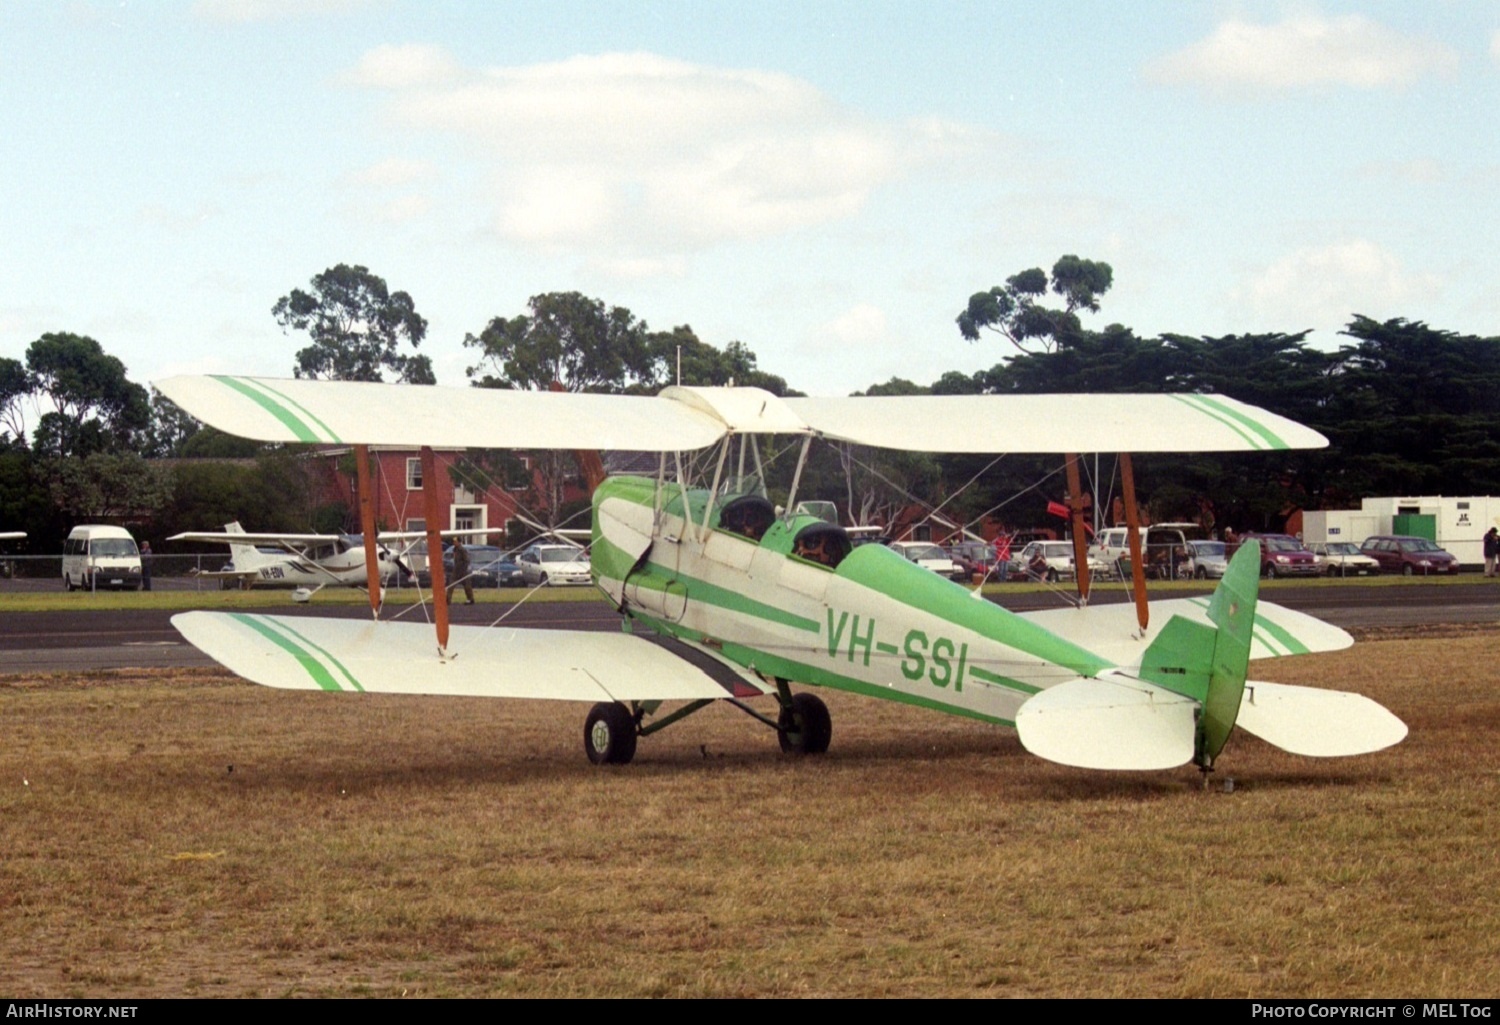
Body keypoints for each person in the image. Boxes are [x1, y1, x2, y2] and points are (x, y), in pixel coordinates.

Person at [447, 540, 475, 605]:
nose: (454, 543)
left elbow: (467, 560)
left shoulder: (462, 550)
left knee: (467, 586)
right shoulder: (454, 550)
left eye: (455, 541)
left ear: (459, 542)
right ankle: (448, 600)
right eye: (453, 542)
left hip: (463, 571)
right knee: (451, 585)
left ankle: (470, 599)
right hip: (456, 571)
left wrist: (464, 568)